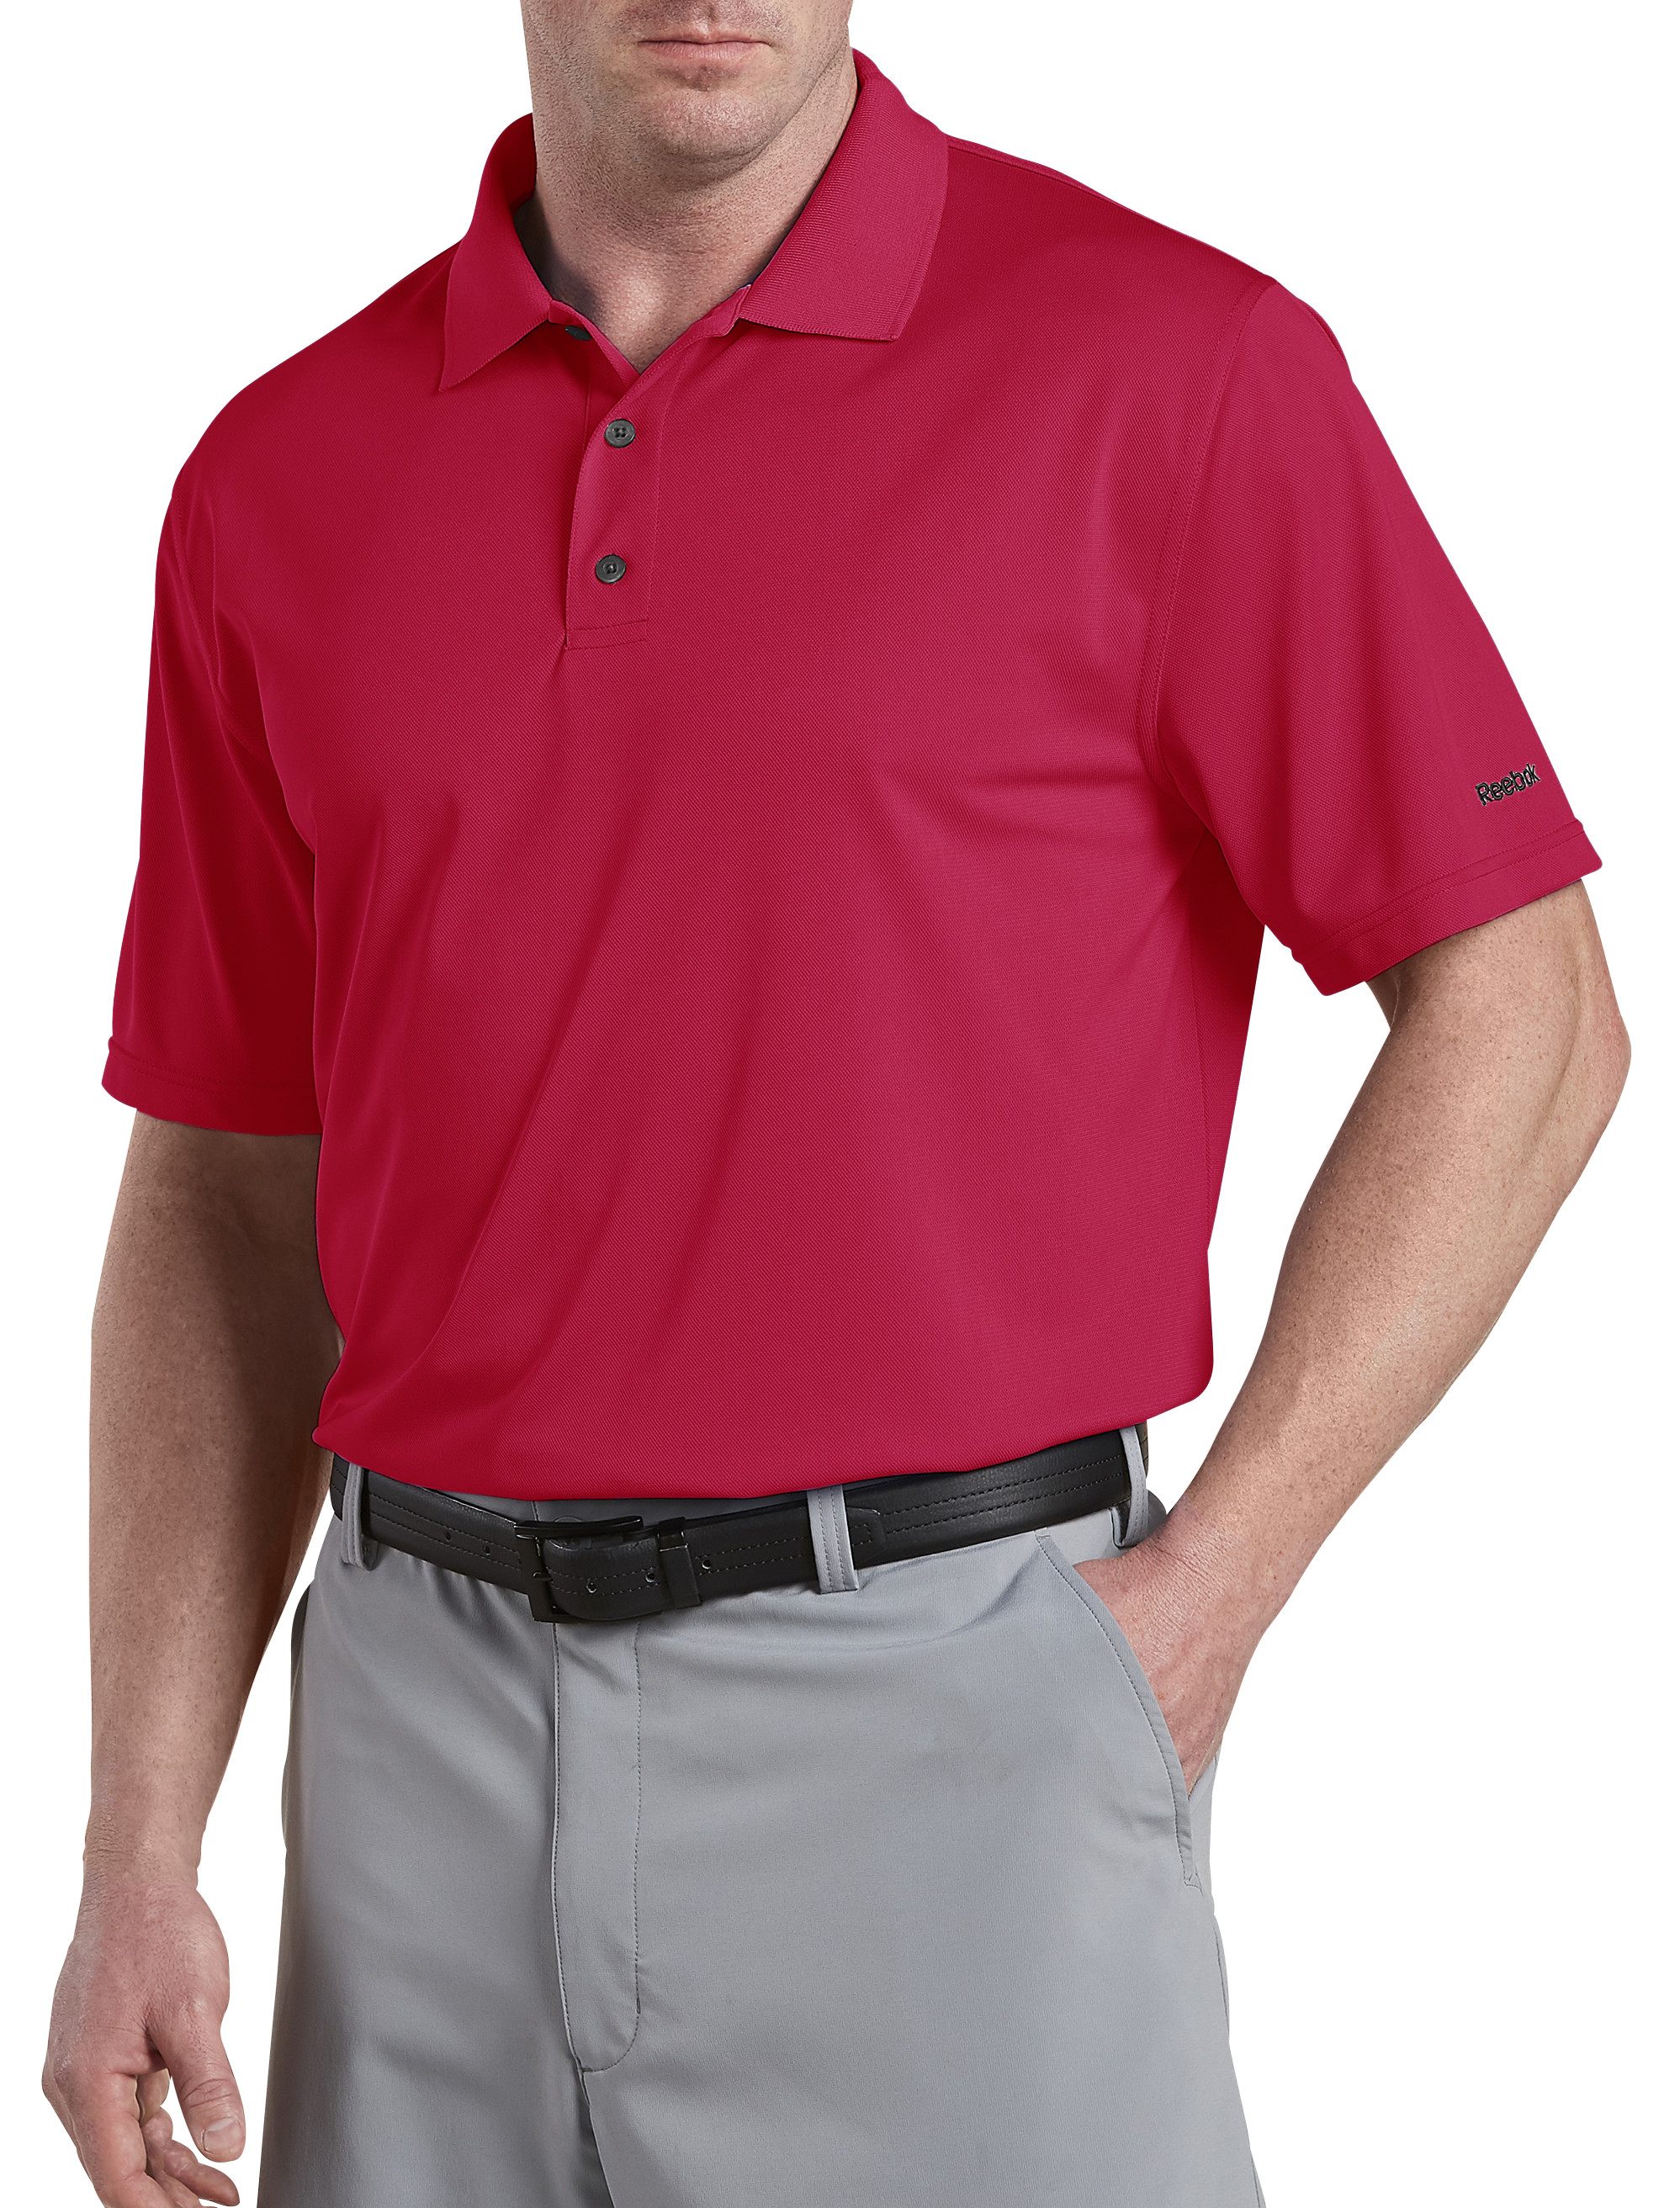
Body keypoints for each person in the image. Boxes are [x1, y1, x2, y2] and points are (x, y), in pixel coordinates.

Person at [43, 7, 1629, 2205]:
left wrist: (1208, 1597)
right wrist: (140, 1841)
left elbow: (1528, 1013)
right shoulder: (277, 477)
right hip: (415, 1749)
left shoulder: (1177, 373)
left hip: (955, 1717)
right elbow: (228, 1187)